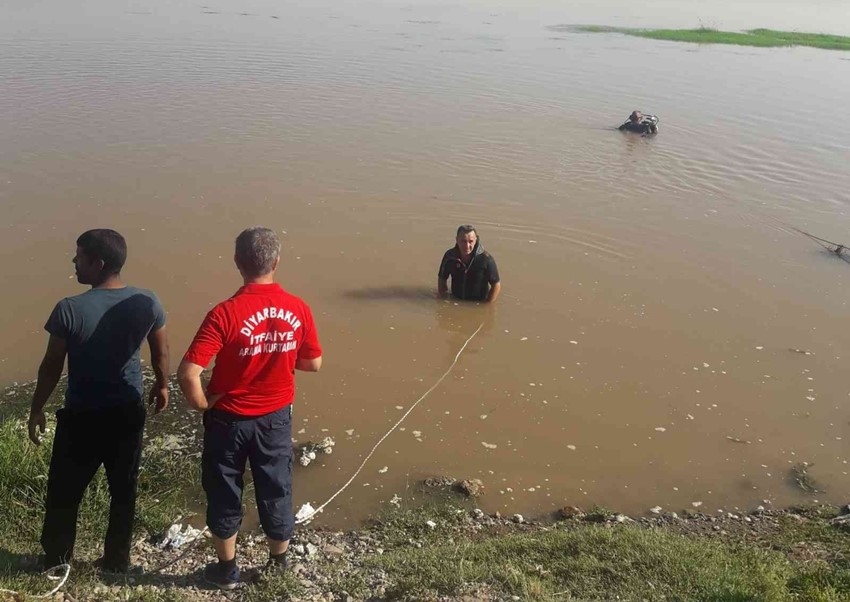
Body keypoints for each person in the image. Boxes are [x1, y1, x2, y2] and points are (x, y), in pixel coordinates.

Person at [178, 226, 322, 591]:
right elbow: (313, 363)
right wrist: (279, 355)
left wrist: (202, 405)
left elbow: (188, 373)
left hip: (227, 419)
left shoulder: (224, 313)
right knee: (276, 486)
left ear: (238, 263)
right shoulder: (298, 308)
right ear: (276, 262)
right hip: (274, 418)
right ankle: (278, 563)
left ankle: (226, 571)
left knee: (224, 488)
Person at [28, 229, 170, 573]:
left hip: (82, 417)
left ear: (98, 263)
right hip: (127, 412)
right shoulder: (148, 301)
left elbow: (51, 367)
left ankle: (57, 561)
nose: (74, 262)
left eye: (79, 257)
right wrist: (163, 385)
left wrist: (37, 407)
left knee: (64, 492)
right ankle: (117, 560)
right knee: (123, 491)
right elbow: (160, 351)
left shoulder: (69, 309)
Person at [438, 224, 501, 303]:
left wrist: (487, 305)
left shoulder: (486, 259)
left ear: (476, 240)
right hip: (455, 301)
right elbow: (442, 279)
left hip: (478, 303)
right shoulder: (450, 257)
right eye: (463, 241)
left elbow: (496, 285)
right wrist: (444, 300)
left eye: (470, 242)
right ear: (457, 239)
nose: (467, 246)